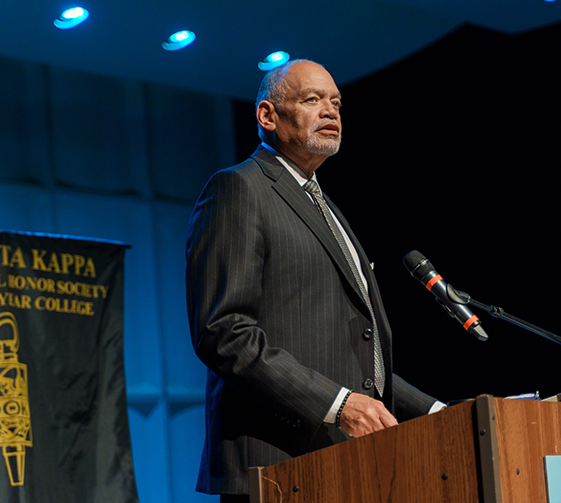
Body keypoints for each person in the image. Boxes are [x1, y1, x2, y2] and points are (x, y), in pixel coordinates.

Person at [186, 60, 442, 500]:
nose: (331, 111)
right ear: (268, 115)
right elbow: (224, 332)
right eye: (312, 100)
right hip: (277, 465)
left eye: (337, 103)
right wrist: (338, 406)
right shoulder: (238, 189)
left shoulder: (327, 208)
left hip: (342, 464)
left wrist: (438, 412)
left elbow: (357, 363)